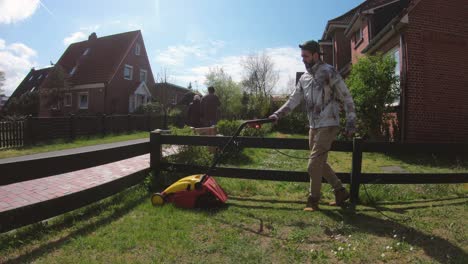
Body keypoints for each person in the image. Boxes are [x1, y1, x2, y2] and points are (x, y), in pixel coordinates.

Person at [269, 40, 356, 212]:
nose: (303, 59)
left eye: (306, 56)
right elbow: (293, 100)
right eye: (302, 56)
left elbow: (347, 97)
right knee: (320, 163)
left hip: (329, 124)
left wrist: (351, 122)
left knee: (313, 165)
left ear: (316, 55)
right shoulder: (305, 78)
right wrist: (278, 114)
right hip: (313, 126)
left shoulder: (329, 72)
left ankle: (313, 200)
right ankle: (340, 191)